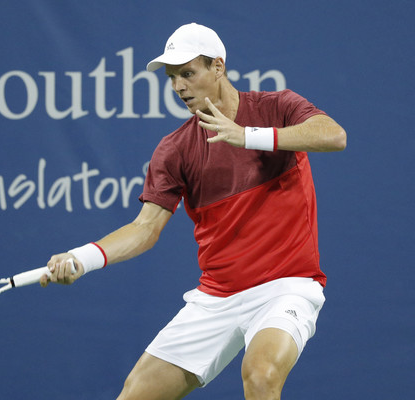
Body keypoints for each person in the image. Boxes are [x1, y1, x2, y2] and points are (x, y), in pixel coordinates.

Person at [40, 22, 346, 400]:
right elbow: (144, 228)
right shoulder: (175, 150)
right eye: (172, 78)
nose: (178, 87)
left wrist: (247, 135)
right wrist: (81, 259)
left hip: (286, 287)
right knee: (135, 394)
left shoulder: (276, 107)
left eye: (188, 73)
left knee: (261, 374)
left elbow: (333, 135)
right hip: (217, 297)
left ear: (218, 67)